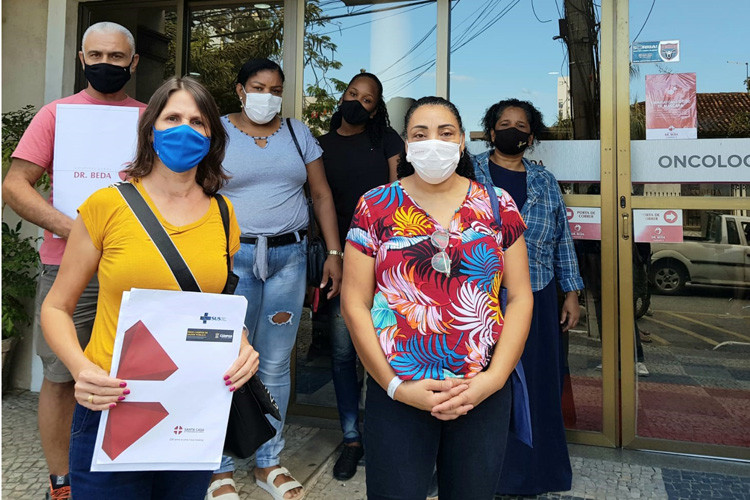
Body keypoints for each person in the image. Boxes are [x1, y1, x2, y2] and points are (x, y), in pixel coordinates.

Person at [39, 76, 259, 499]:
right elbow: (56, 307)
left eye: (198, 121)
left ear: (212, 135)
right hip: (113, 403)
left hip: (191, 408)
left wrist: (242, 342)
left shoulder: (225, 214)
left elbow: (217, 306)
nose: (184, 129)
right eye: (172, 117)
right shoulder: (106, 205)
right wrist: (81, 369)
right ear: (150, 130)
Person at [342, 96, 534, 500]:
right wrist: (394, 387)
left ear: (462, 141)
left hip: (480, 389)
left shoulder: (498, 206)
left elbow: (519, 297)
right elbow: (354, 302)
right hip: (397, 387)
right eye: (420, 134)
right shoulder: (374, 205)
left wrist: (494, 380)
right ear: (407, 146)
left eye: (445, 133)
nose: (434, 142)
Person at [2, 21, 146, 500]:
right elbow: (14, 186)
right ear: (82, 60)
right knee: (64, 376)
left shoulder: (153, 120)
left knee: (139, 372)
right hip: (68, 267)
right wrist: (79, 233)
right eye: (97, 56)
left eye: (116, 57)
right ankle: (62, 482)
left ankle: (126, 469)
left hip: (138, 269)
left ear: (134, 62)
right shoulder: (55, 115)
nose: (107, 64)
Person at [214, 58, 342, 500]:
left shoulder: (296, 132)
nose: (267, 95)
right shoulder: (215, 131)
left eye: (275, 88)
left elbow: (321, 193)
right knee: (226, 361)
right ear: (240, 89)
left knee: (274, 362)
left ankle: (268, 461)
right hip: (231, 257)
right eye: (257, 86)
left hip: (289, 257)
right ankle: (219, 466)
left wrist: (333, 251)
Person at [473, 98, 584, 496]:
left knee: (536, 385)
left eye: (521, 126)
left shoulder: (544, 181)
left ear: (531, 137)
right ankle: (480, 473)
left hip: (536, 295)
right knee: (484, 384)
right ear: (490, 131)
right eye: (504, 123)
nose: (513, 131)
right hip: (477, 297)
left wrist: (570, 292)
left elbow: (561, 240)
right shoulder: (469, 172)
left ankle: (536, 475)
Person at [317, 71, 403, 480]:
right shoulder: (321, 145)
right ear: (343, 94)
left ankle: (386, 436)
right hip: (345, 259)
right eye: (353, 93)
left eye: (368, 100)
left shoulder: (386, 139)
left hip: (387, 260)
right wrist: (333, 252)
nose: (358, 102)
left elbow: (398, 191)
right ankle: (352, 439)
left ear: (376, 108)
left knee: (388, 351)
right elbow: (320, 199)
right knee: (343, 353)